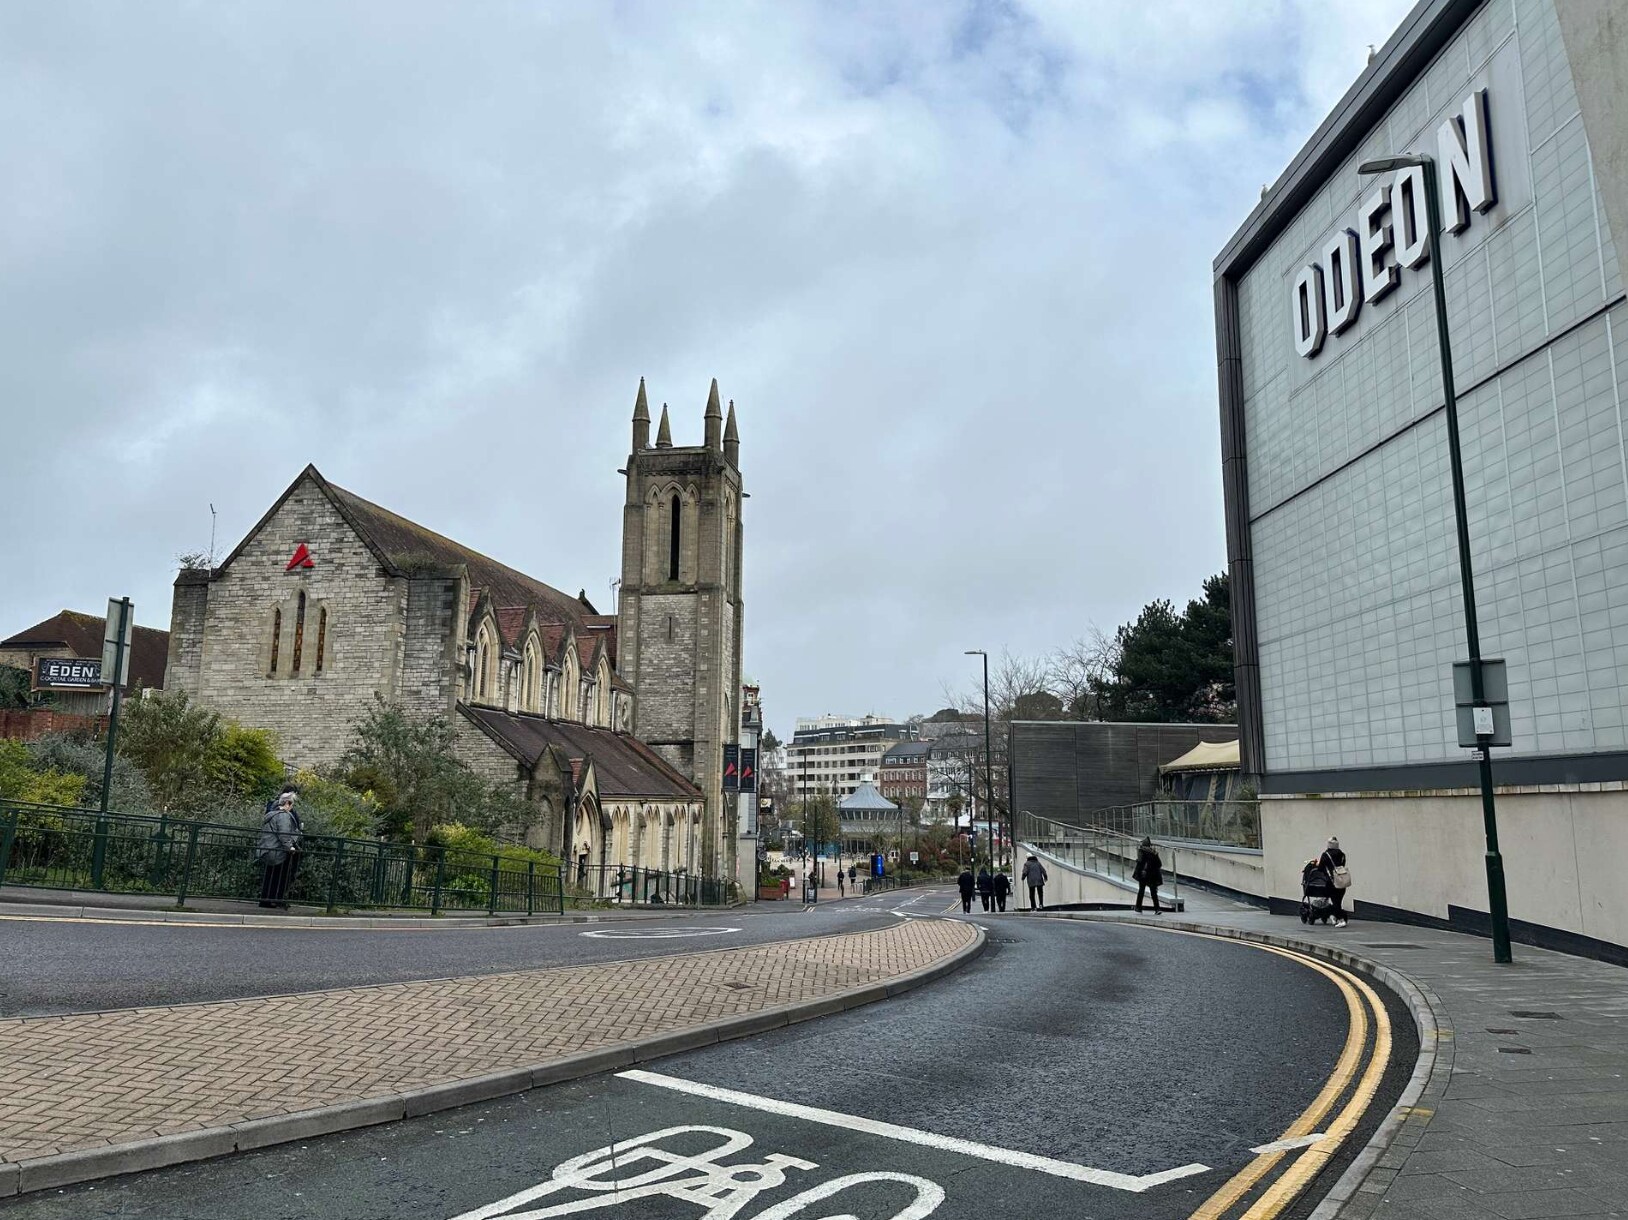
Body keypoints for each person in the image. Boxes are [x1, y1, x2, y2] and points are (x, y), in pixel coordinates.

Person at [256, 791, 302, 909]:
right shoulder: (284, 816)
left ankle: (265, 900)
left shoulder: (272, 814)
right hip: (278, 851)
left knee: (269, 876)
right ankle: (274, 900)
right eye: (292, 804)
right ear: (287, 803)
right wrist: (290, 847)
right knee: (280, 876)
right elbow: (284, 834)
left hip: (268, 849)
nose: (292, 807)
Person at [1319, 836, 1350, 927]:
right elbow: (1342, 865)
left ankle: (1341, 919)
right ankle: (1334, 916)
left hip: (1331, 881)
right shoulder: (1342, 854)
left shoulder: (1325, 855)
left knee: (1334, 900)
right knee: (1338, 900)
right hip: (1342, 880)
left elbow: (1321, 867)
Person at [1133, 836, 1165, 914]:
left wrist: (1138, 863)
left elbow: (1140, 861)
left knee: (1141, 891)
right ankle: (1157, 909)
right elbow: (1159, 864)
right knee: (1153, 892)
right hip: (1153, 875)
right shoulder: (1153, 853)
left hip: (1144, 875)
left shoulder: (1141, 851)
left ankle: (1138, 907)